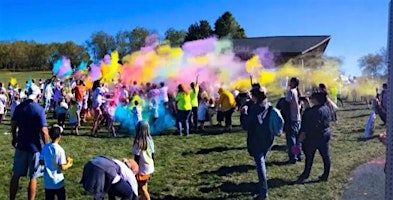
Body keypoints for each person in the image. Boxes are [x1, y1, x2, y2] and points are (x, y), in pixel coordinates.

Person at [10, 84, 49, 200]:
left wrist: (14, 137)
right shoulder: (39, 110)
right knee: (33, 176)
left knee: (16, 175)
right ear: (37, 95)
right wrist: (47, 146)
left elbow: (13, 124)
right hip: (35, 147)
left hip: (21, 144)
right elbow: (44, 131)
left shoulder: (19, 107)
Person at [242, 86, 275, 200]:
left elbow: (246, 125)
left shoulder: (256, 109)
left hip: (257, 139)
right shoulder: (267, 104)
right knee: (262, 161)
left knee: (260, 164)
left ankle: (263, 191)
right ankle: (262, 186)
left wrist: (244, 113)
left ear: (256, 97)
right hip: (268, 137)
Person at [296, 91, 332, 183]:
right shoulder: (327, 108)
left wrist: (299, 139)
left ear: (316, 100)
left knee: (309, 156)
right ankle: (326, 174)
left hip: (313, 137)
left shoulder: (311, 112)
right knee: (325, 155)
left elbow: (306, 127)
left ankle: (306, 173)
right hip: (325, 133)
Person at [40, 125, 73, 200]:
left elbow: (41, 162)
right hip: (58, 182)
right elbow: (62, 167)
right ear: (59, 136)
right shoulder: (60, 150)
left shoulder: (45, 147)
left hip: (48, 182)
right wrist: (69, 164)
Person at [132, 121, 155, 200]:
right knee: (144, 186)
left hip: (142, 169)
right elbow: (153, 155)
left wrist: (135, 170)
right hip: (150, 167)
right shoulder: (150, 140)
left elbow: (137, 158)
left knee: (142, 188)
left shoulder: (138, 142)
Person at [285, 77, 302, 164]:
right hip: (298, 118)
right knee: (297, 139)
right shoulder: (297, 92)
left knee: (292, 139)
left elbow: (286, 102)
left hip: (292, 118)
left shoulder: (291, 92)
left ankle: (293, 156)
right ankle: (298, 154)